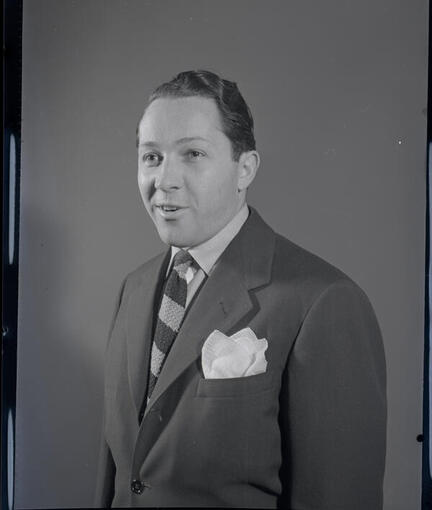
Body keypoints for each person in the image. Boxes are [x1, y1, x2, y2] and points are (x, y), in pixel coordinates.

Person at [94, 70, 387, 509]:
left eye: (193, 154)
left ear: (245, 169)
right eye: (151, 157)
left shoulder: (323, 301)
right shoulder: (133, 289)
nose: (165, 180)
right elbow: (121, 478)